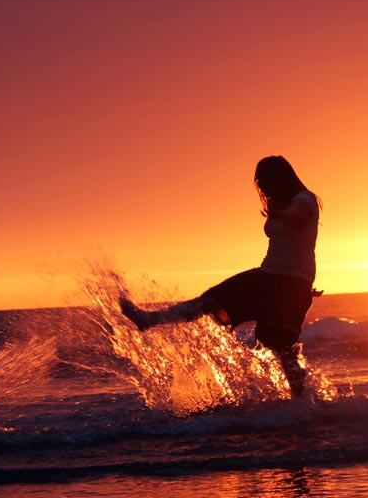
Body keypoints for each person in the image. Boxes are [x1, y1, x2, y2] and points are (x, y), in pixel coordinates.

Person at [120, 155, 321, 397]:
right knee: (211, 300)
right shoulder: (281, 204)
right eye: (258, 180)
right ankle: (150, 320)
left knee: (283, 344)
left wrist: (280, 215)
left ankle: (301, 404)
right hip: (269, 274)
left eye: (264, 179)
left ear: (280, 178)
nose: (261, 185)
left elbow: (297, 217)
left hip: (290, 281)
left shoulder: (305, 200)